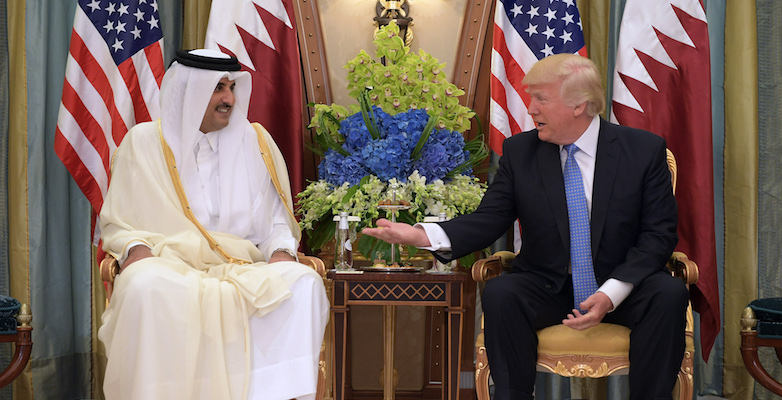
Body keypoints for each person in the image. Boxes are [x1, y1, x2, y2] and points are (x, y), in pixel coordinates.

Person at [363, 53, 688, 399]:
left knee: (669, 293)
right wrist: (423, 234)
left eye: (540, 98)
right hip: (548, 286)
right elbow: (490, 218)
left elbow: (659, 234)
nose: (530, 108)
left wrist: (610, 294)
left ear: (579, 106)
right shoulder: (521, 152)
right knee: (503, 293)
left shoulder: (642, 151)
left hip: (623, 286)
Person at [98, 49, 329, 400]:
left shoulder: (256, 143)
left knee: (304, 282)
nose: (229, 98)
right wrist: (136, 249)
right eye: (218, 88)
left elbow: (274, 224)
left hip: (242, 268)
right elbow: (119, 222)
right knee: (144, 285)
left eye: (232, 87)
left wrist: (282, 252)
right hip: (170, 266)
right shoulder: (144, 142)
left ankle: (272, 394)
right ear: (188, 90)